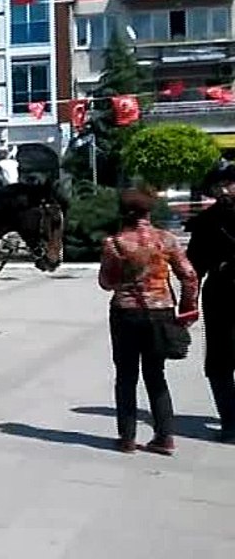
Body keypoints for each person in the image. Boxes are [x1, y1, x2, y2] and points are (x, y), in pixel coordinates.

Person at [98, 186, 199, 455]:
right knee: (156, 376)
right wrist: (189, 310)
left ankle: (127, 438)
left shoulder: (114, 243)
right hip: (162, 313)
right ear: (149, 210)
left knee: (126, 376)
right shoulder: (166, 239)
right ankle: (165, 437)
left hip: (126, 314)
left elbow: (106, 283)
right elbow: (189, 276)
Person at [185, 160, 235, 443]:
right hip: (221, 295)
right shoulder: (206, 222)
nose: (224, 191)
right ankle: (230, 422)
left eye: (229, 184)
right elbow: (194, 268)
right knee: (220, 362)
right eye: (220, 186)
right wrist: (187, 303)